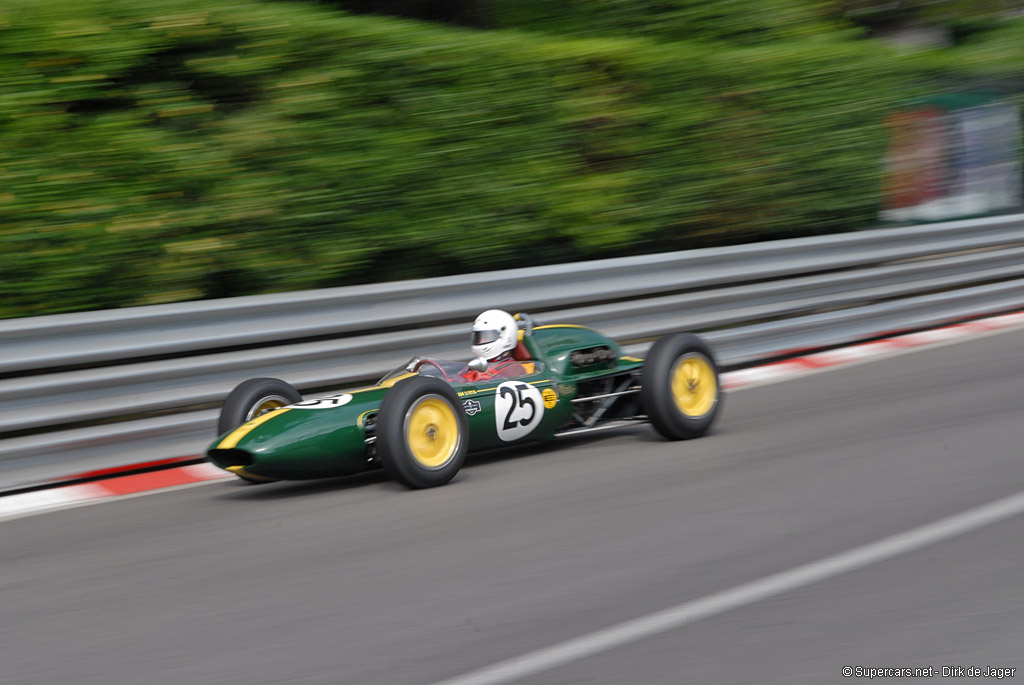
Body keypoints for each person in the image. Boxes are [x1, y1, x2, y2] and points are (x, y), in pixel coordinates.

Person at [460, 309, 527, 381]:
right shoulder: (476, 365)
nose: (481, 341)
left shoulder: (513, 370)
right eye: (478, 337)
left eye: (487, 337)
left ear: (506, 337)